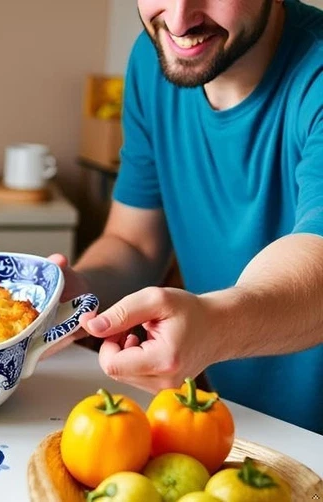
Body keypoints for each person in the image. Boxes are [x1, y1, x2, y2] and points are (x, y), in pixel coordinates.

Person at [53, 0, 323, 433]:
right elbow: (134, 244)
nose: (179, 21)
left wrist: (213, 327)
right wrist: (78, 292)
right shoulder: (153, 58)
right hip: (238, 428)